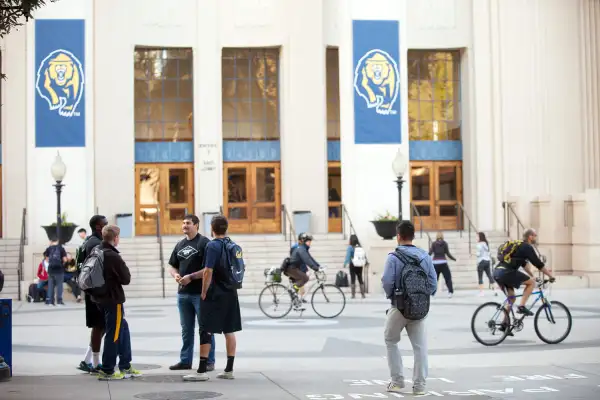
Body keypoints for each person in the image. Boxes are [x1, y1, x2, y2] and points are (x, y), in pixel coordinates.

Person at [183, 215, 242, 382]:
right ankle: (229, 369)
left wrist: (203, 292)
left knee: (206, 329)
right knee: (229, 330)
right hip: (231, 292)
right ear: (226, 228)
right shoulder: (232, 245)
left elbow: (208, 271)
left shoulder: (212, 246)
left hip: (215, 293)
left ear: (212, 228)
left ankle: (201, 371)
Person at [381, 220, 437, 395]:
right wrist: (420, 295)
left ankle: (397, 381)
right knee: (420, 347)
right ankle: (419, 386)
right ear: (413, 237)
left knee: (391, 340)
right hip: (420, 307)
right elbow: (433, 284)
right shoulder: (425, 257)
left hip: (399, 306)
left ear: (398, 236)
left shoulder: (393, 257)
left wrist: (393, 297)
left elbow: (387, 281)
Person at [168, 214, 216, 372]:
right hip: (183, 294)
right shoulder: (180, 244)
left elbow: (209, 269)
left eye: (188, 223)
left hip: (199, 294)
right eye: (183, 223)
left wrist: (191, 277)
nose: (184, 225)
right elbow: (172, 265)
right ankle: (185, 361)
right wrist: (175, 275)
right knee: (186, 329)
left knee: (205, 328)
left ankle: (208, 361)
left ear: (196, 225)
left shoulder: (205, 243)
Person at [94, 225, 141, 380]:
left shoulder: (97, 251)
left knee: (123, 328)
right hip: (113, 300)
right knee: (113, 334)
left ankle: (125, 365)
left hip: (100, 299)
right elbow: (126, 278)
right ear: (115, 238)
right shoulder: (113, 256)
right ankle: (107, 370)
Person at [493, 228, 555, 317]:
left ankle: (504, 324)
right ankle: (521, 306)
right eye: (535, 235)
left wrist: (533, 276)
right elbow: (538, 264)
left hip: (497, 272)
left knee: (512, 298)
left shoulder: (518, 246)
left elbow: (524, 265)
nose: (536, 237)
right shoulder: (527, 247)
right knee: (531, 283)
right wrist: (550, 276)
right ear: (530, 237)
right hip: (506, 273)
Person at [76, 215, 108, 373]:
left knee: (102, 327)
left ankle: (87, 360)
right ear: (98, 226)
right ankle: (95, 363)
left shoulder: (89, 241)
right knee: (99, 326)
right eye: (105, 224)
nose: (107, 226)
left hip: (92, 291)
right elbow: (96, 269)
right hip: (96, 292)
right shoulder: (96, 244)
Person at [428, 232, 456, 298]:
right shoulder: (445, 243)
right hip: (443, 263)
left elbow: (430, 253)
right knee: (448, 278)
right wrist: (454, 259)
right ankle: (450, 292)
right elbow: (448, 253)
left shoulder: (434, 244)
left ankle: (432, 293)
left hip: (435, 263)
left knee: (435, 279)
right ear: (442, 236)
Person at [43, 240, 67, 305]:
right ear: (58, 241)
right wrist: (62, 264)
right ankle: (59, 301)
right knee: (59, 286)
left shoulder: (48, 249)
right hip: (59, 270)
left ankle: (51, 301)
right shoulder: (61, 248)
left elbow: (47, 260)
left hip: (51, 270)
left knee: (51, 286)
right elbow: (65, 259)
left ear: (51, 241)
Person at [343, 234, 365, 299]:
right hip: (359, 264)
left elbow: (348, 256)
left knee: (353, 279)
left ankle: (353, 295)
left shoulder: (350, 247)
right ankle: (363, 295)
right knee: (360, 278)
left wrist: (345, 263)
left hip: (352, 264)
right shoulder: (360, 246)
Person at [476, 232, 496, 297]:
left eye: (477, 236)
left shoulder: (479, 244)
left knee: (480, 277)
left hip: (481, 261)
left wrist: (473, 254)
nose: (476, 238)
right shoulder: (486, 243)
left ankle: (481, 292)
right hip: (487, 261)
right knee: (489, 275)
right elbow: (488, 252)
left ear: (480, 237)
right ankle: (495, 291)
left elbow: (479, 254)